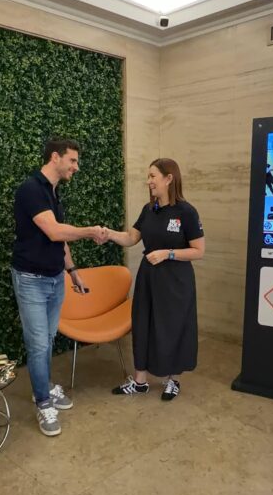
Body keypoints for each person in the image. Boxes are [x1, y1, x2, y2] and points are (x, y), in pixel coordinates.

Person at [11, 138, 104, 437]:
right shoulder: (31, 189)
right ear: (55, 157)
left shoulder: (53, 192)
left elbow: (61, 241)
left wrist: (72, 272)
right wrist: (91, 231)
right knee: (39, 344)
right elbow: (53, 231)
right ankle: (43, 402)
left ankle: (45, 386)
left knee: (47, 340)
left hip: (54, 278)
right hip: (31, 280)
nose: (76, 167)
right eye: (73, 160)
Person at [102, 158, 205, 401]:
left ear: (169, 179)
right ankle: (140, 382)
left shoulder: (186, 212)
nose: (148, 181)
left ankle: (172, 380)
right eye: (148, 176)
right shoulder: (148, 210)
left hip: (176, 282)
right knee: (143, 324)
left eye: (152, 176)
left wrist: (168, 253)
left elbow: (198, 251)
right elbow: (131, 238)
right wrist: (107, 233)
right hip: (149, 278)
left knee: (172, 328)